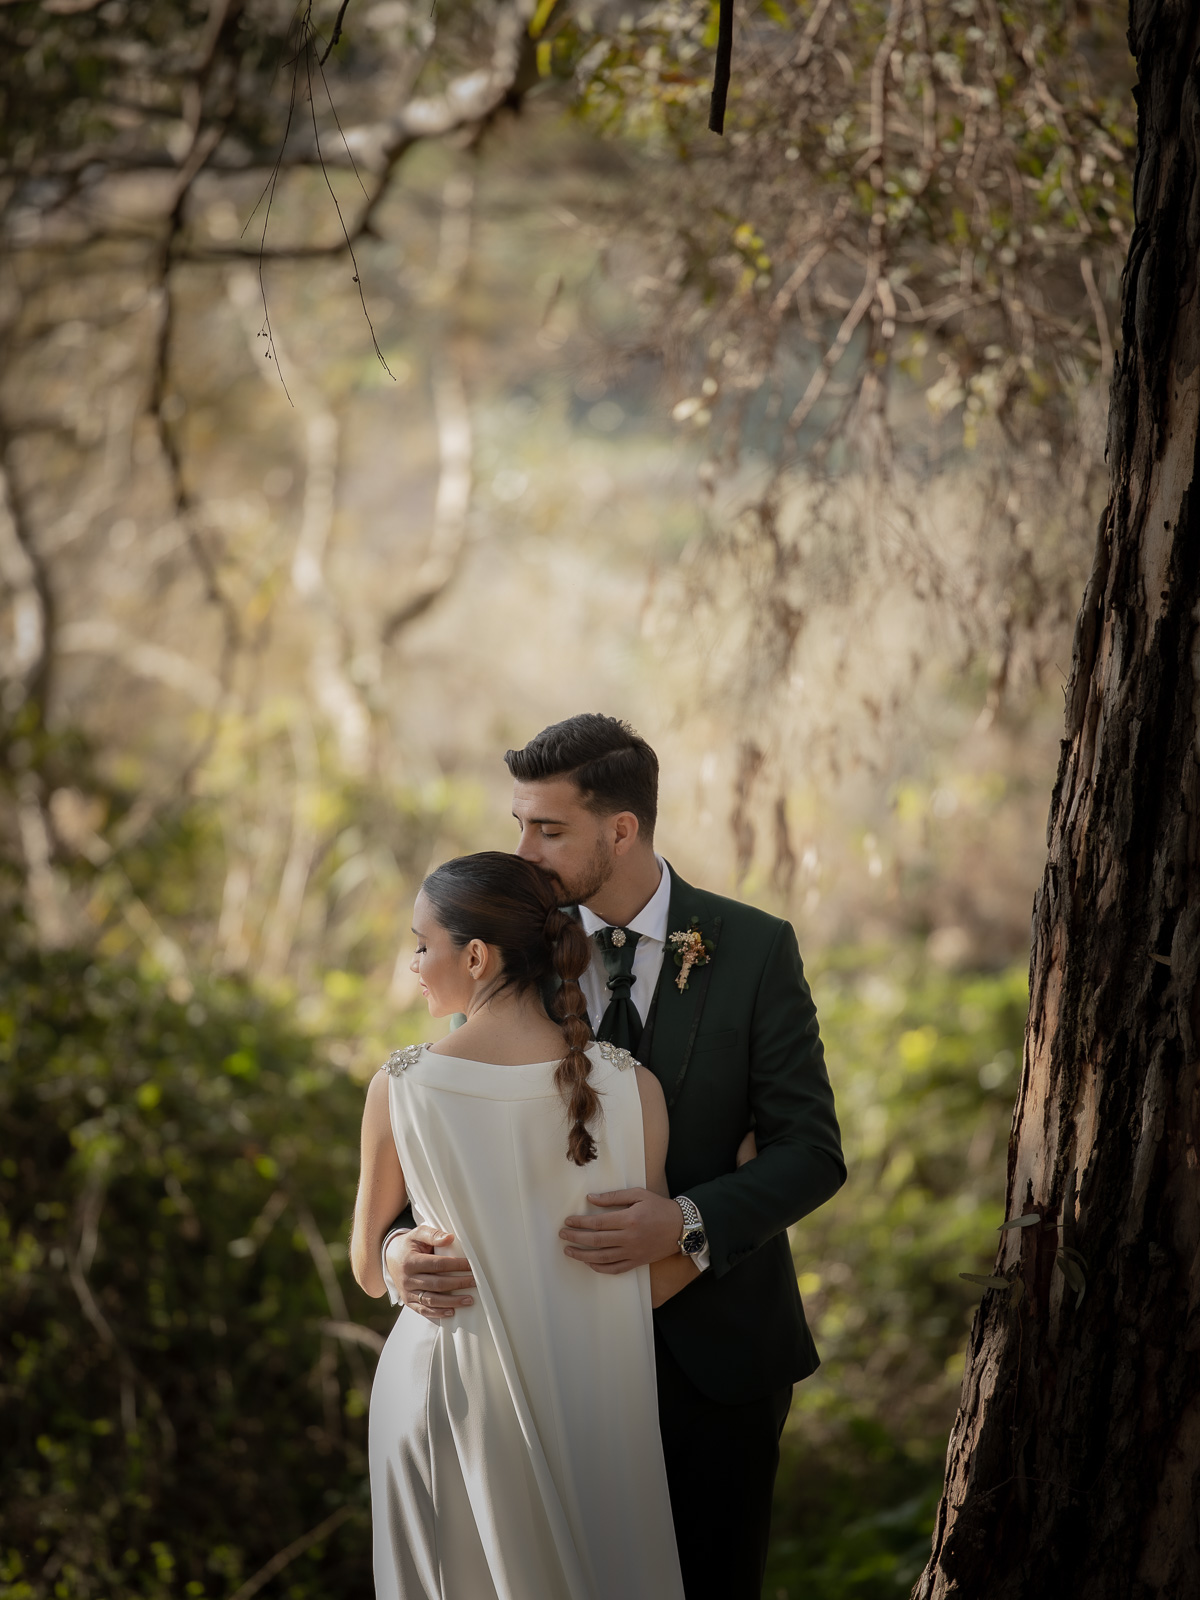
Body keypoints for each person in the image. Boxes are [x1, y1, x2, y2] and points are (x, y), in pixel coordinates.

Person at [384, 715, 846, 1600]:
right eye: (519, 822)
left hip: (712, 1363)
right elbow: (448, 1126)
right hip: (541, 1364)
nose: (523, 849)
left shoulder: (752, 949)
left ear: (621, 829)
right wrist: (401, 1248)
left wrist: (689, 1218)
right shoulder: (510, 937)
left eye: (547, 829)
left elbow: (810, 1152)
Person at [350, 850, 687, 1600]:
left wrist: (395, 1251)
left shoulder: (400, 1088)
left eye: (420, 943)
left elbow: (367, 1269)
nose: (412, 963)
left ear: (474, 955)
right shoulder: (634, 1090)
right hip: (598, 1402)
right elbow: (658, 1281)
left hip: (446, 1395)